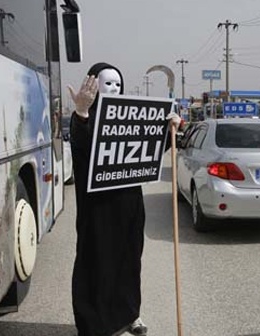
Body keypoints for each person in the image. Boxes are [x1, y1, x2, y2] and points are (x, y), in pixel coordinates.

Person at [68, 62, 182, 336]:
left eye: (117, 84)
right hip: (98, 210)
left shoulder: (131, 117)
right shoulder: (85, 119)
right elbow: (81, 145)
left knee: (130, 261)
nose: (113, 89)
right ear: (93, 84)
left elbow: (149, 150)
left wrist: (170, 130)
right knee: (97, 263)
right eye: (107, 83)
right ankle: (93, 323)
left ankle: (130, 314)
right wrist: (81, 111)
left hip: (130, 204)